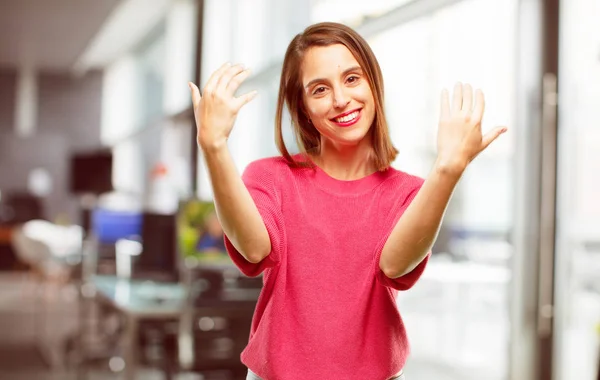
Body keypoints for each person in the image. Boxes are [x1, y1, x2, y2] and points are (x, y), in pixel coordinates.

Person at [188, 22, 506, 380]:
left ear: (373, 84)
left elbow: (394, 266)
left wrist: (447, 168)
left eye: (352, 79)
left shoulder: (409, 193)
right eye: (320, 89)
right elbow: (254, 248)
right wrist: (214, 148)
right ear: (303, 107)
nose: (341, 99)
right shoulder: (270, 177)